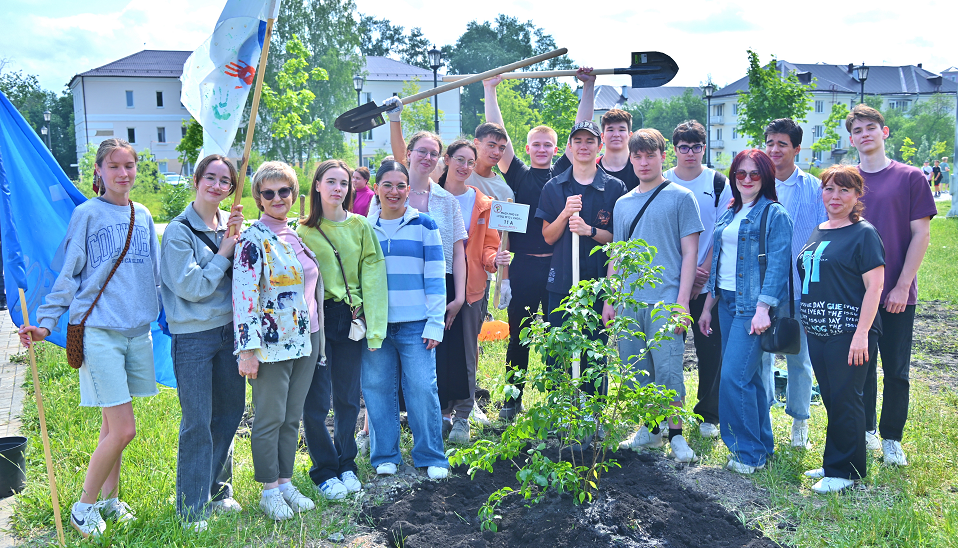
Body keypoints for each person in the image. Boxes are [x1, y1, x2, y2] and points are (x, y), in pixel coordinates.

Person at [18, 138, 161, 537]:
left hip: (138, 333)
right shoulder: (86, 214)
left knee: (111, 428)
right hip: (100, 333)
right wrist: (46, 323)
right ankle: (83, 506)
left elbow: (155, 276)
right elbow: (67, 275)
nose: (123, 173)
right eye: (114, 166)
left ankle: (110, 502)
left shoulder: (143, 214)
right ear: (98, 170)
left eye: (129, 165)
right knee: (125, 429)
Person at [233, 161, 324, 520]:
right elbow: (244, 297)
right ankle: (268, 490)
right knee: (269, 418)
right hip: (270, 345)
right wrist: (247, 350)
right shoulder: (252, 239)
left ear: (293, 193)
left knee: (291, 417)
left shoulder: (296, 235)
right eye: (268, 192)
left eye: (283, 190)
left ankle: (285, 482)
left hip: (306, 338)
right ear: (258, 198)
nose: (277, 198)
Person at [604, 129, 702, 462]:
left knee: (669, 370)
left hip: (666, 300)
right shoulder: (622, 203)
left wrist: (682, 302)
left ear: (663, 156)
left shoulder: (681, 197)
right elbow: (617, 254)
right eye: (638, 156)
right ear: (631, 159)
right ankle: (650, 429)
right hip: (629, 301)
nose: (644, 162)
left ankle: (677, 435)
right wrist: (610, 298)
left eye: (650, 155)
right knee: (636, 371)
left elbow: (690, 253)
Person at [160, 154, 245, 531]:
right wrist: (225, 253)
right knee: (197, 420)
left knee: (229, 412)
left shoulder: (232, 225)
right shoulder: (178, 231)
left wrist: (240, 241)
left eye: (225, 180)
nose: (217, 185)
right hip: (193, 336)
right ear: (196, 181)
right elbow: (191, 287)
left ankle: (219, 490)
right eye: (210, 177)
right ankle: (191, 507)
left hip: (229, 332)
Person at [846, 104, 935, 465]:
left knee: (896, 371)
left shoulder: (910, 177)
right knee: (861, 367)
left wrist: (902, 285)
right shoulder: (847, 179)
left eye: (870, 127)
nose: (864, 134)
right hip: (856, 294)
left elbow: (921, 234)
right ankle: (866, 431)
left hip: (897, 293)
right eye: (857, 130)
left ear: (884, 132)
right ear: (851, 140)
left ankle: (892, 438)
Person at [698, 149, 792, 474]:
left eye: (755, 174)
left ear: (766, 177)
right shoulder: (730, 212)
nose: (747, 179)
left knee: (733, 378)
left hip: (752, 307)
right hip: (725, 303)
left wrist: (763, 308)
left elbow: (778, 266)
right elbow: (719, 264)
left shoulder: (774, 214)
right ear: (734, 177)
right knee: (749, 378)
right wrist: (708, 306)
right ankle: (762, 446)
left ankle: (747, 454)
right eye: (741, 173)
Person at [298, 160, 386, 500]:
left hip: (350, 319)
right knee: (316, 399)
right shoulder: (302, 232)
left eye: (344, 183)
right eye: (331, 181)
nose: (338, 188)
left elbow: (374, 276)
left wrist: (375, 328)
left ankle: (346, 462)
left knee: (348, 398)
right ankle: (324, 469)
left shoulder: (360, 226)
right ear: (317, 186)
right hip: (316, 321)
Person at [382, 100, 469, 436]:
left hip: (440, 286)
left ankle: (442, 418)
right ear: (409, 154)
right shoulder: (391, 195)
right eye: (422, 151)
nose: (428, 157)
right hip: (398, 285)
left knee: (441, 355)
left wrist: (458, 297)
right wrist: (395, 118)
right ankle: (383, 422)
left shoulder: (447, 201)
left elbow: (458, 251)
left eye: (434, 153)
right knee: (395, 354)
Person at [798, 165, 884, 494]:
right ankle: (837, 459)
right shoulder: (819, 229)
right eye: (829, 189)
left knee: (847, 398)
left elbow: (875, 287)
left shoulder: (864, 233)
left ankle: (845, 472)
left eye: (844, 190)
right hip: (818, 330)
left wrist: (862, 334)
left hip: (849, 331)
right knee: (832, 397)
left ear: (857, 195)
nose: (835, 196)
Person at [482, 73, 562, 420]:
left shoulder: (563, 174)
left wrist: (588, 87)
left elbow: (582, 126)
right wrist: (490, 90)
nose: (542, 149)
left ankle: (558, 402)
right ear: (527, 149)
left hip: (557, 266)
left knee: (559, 335)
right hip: (524, 265)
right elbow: (498, 132)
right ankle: (511, 403)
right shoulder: (518, 174)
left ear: (556, 150)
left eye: (548, 145)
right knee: (520, 336)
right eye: (536, 145)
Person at [363, 160, 449, 480]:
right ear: (376, 189)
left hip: (416, 325)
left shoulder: (424, 225)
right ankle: (385, 454)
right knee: (378, 388)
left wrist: (435, 321)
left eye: (401, 185)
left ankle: (431, 455)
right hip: (377, 326)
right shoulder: (365, 229)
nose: (394, 191)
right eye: (387, 185)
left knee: (422, 389)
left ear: (409, 190)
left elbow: (435, 277)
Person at [536, 120, 627, 398]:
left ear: (599, 146)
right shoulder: (554, 187)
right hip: (562, 283)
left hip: (598, 285)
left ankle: (593, 414)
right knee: (558, 351)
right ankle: (560, 412)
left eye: (590, 141)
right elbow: (548, 236)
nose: (584, 146)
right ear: (570, 147)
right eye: (578, 141)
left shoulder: (615, 188)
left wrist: (590, 231)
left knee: (595, 353)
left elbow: (619, 240)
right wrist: (565, 214)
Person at [437, 140, 509, 444]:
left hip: (471, 288)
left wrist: (495, 260)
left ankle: (463, 416)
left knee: (466, 352)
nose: (464, 167)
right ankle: (442, 413)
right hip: (435, 286)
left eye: (470, 162)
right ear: (447, 159)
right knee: (438, 350)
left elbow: (489, 245)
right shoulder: (431, 197)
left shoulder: (483, 203)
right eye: (460, 160)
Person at [663, 120, 732, 440]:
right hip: (671, 282)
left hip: (707, 281)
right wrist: (682, 274)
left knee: (710, 350)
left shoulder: (718, 183)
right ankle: (665, 412)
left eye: (696, 147)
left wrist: (703, 267)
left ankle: (709, 415)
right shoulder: (663, 181)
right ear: (674, 150)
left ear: (704, 148)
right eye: (683, 147)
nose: (690, 153)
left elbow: (723, 230)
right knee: (667, 352)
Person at [761, 119, 827, 448]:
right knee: (761, 355)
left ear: (796, 149)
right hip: (761, 287)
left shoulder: (813, 188)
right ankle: (763, 416)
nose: (774, 149)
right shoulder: (757, 182)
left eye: (782, 144)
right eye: (770, 142)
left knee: (799, 357)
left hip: (798, 287)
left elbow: (824, 234)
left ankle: (800, 421)